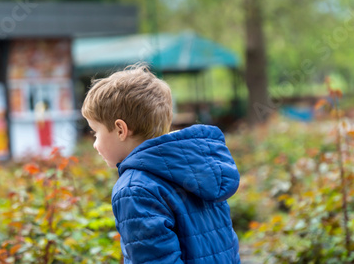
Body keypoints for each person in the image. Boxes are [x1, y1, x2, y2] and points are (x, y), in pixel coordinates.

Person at [81, 64, 240, 263]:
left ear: (120, 130)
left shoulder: (134, 189)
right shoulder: (201, 167)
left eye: (96, 132)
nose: (95, 144)